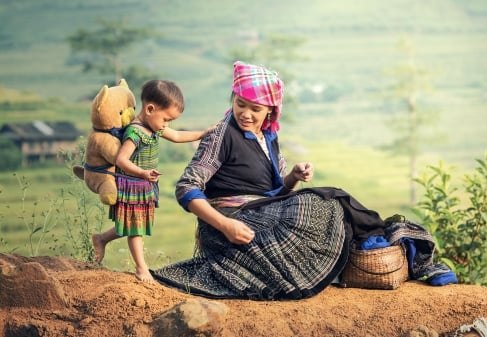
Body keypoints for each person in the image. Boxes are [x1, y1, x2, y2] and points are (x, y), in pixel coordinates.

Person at [151, 61, 453, 299]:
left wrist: (293, 177)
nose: (245, 113)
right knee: (324, 201)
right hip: (230, 224)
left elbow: (273, 193)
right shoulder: (220, 134)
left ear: (270, 110)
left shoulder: (268, 138)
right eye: (240, 104)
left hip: (263, 214)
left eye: (254, 109)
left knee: (326, 206)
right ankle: (392, 244)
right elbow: (186, 187)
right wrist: (225, 226)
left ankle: (401, 252)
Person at [92, 79, 213, 284]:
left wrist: (202, 134)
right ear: (150, 109)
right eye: (166, 119)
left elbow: (176, 136)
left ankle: (101, 238)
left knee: (134, 224)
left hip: (143, 185)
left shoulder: (154, 127)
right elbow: (122, 159)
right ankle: (141, 268)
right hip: (132, 184)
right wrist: (142, 173)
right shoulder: (135, 132)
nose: (167, 125)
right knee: (136, 229)